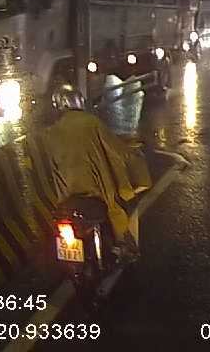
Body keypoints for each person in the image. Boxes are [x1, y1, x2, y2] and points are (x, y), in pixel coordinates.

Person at [36, 85, 149, 261]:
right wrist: (136, 157)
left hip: (67, 196)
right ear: (78, 101)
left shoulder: (50, 132)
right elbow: (117, 150)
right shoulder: (91, 122)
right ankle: (126, 246)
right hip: (98, 191)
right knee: (124, 204)